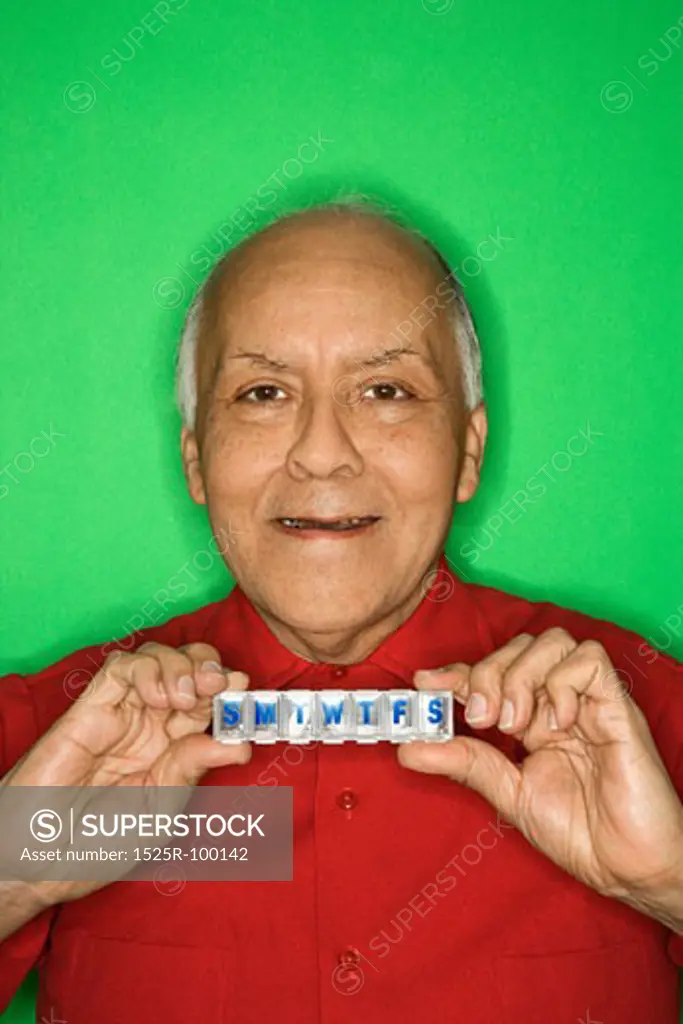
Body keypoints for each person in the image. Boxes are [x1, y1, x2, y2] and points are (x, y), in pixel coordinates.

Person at [1, 200, 682, 1024]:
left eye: (385, 390)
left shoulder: (640, 713)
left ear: (466, 450)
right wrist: (20, 866)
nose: (322, 451)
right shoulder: (51, 735)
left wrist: (669, 883)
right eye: (262, 392)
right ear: (196, 459)